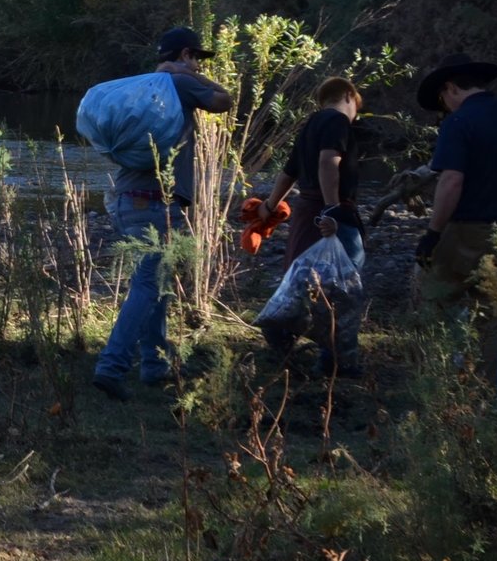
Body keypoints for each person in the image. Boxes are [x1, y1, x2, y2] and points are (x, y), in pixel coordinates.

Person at [92, 26, 235, 399]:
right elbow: (225, 100)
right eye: (195, 57)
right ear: (185, 54)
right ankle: (112, 365)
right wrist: (191, 74)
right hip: (156, 201)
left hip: (126, 197)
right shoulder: (179, 84)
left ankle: (154, 365)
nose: (197, 64)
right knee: (149, 284)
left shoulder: (142, 86)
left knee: (157, 283)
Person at [259, 75, 365, 376]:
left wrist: (269, 206)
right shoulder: (337, 121)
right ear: (348, 94)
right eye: (356, 104)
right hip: (328, 211)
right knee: (343, 286)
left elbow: (289, 171)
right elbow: (328, 162)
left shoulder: (311, 124)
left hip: (307, 209)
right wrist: (333, 210)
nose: (355, 112)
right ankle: (336, 361)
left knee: (307, 278)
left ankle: (290, 339)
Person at [413, 52, 497, 311]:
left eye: (441, 98)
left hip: (465, 230)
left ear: (451, 87)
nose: (444, 105)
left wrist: (433, 234)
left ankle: (433, 352)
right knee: (493, 314)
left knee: (435, 302)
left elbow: (452, 180)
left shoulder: (458, 122)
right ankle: (491, 353)